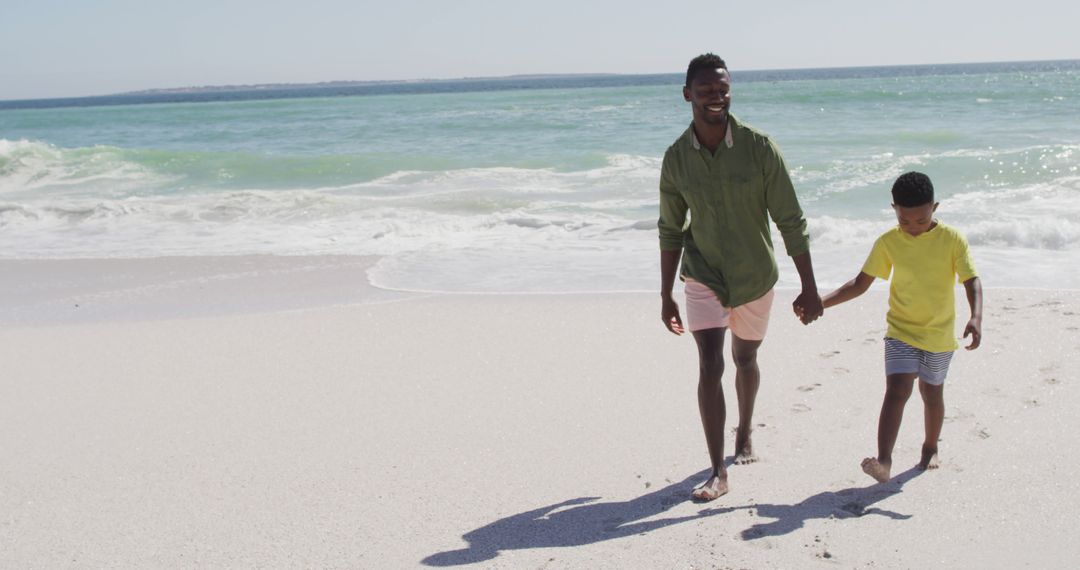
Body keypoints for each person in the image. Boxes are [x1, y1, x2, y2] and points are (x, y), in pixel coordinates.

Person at [658, 53, 823, 502]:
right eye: (708, 90)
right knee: (710, 363)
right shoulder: (675, 159)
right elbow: (670, 228)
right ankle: (717, 472)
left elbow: (791, 219)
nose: (717, 97)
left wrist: (809, 286)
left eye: (724, 88)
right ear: (688, 94)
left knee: (745, 360)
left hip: (754, 275)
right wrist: (665, 292)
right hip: (703, 273)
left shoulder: (759, 147)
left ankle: (745, 430)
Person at [822, 171, 983, 483]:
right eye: (904, 221)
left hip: (938, 334)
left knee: (931, 394)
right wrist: (821, 303)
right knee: (897, 390)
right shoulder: (888, 242)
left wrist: (975, 316)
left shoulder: (952, 240)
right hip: (901, 331)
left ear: (934, 208)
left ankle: (930, 446)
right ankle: (884, 460)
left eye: (921, 221)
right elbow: (860, 283)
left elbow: (971, 280)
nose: (912, 228)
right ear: (893, 208)